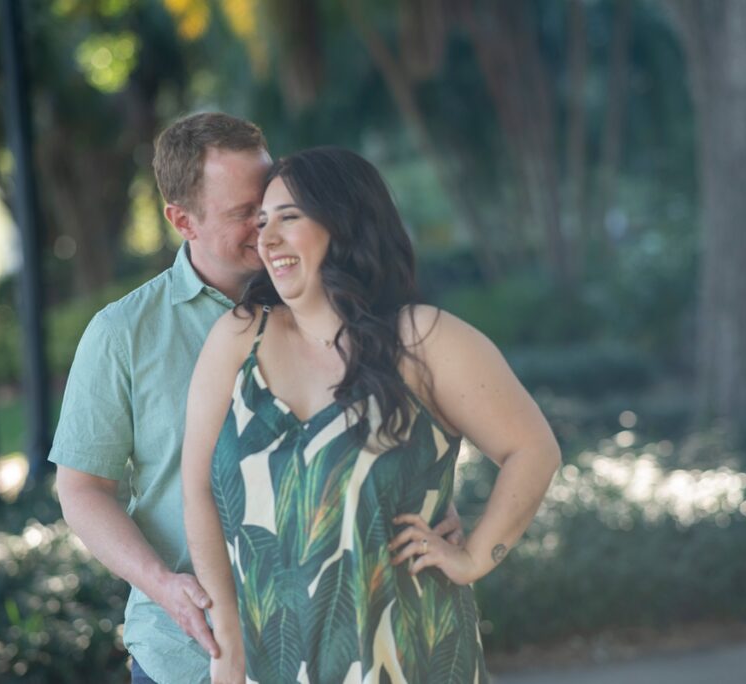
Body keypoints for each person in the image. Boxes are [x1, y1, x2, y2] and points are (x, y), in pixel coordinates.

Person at [49, 115, 463, 684]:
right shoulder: (123, 333)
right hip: (189, 653)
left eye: (270, 201)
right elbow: (81, 489)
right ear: (181, 220)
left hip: (337, 647)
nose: (265, 225)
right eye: (244, 213)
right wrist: (164, 586)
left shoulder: (338, 300)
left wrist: (433, 499)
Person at [181, 147, 561, 684]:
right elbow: (197, 488)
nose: (266, 240)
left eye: (289, 218)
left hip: (411, 658)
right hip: (277, 666)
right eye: (262, 222)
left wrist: (476, 557)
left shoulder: (421, 339)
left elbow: (534, 449)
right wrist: (228, 647)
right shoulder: (239, 338)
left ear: (343, 221)